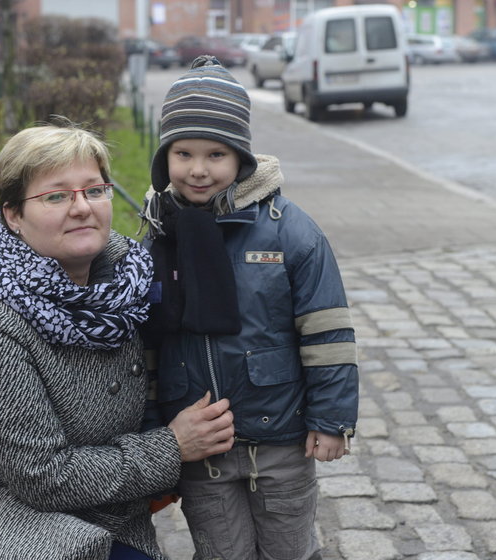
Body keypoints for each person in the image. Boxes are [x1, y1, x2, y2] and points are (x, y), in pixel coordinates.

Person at [0, 121, 235, 560]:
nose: (81, 208)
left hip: (99, 513)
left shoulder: (128, 284)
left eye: (94, 190)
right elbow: (42, 475)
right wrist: (171, 447)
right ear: (13, 215)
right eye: (56, 196)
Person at [139, 56, 359, 560]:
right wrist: (155, 424)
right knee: (221, 551)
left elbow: (327, 330)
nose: (198, 169)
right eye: (183, 153)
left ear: (241, 157)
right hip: (203, 446)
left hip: (281, 437)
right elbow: (147, 344)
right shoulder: (158, 237)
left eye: (216, 154)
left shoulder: (288, 230)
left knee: (288, 548)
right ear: (164, 158)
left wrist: (332, 417)